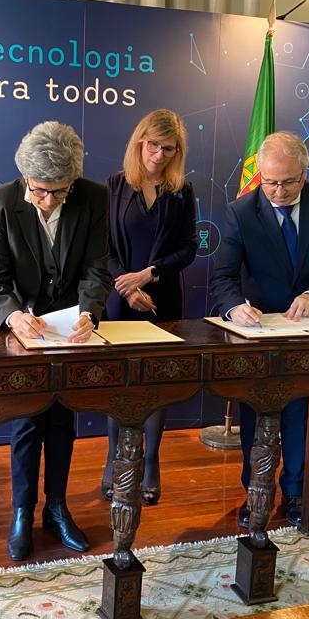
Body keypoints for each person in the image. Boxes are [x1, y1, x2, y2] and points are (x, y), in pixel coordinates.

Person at [0, 120, 112, 561]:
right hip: (27, 332)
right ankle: (23, 511)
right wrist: (14, 316)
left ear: (73, 181)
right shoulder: (1, 202)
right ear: (25, 180)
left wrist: (90, 313)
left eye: (58, 191)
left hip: (73, 331)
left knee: (63, 423)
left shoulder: (93, 197)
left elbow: (97, 268)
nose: (48, 200)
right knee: (27, 423)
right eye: (39, 191)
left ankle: (57, 507)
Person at [211, 131, 309, 528]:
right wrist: (234, 308)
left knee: (300, 415)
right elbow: (222, 276)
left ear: (304, 173)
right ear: (260, 174)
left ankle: (295, 494)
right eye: (270, 181)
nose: (277, 190)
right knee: (257, 415)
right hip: (260, 331)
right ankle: (255, 491)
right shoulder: (242, 211)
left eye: (288, 182)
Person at [100, 109, 197, 506]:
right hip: (120, 299)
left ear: (177, 152)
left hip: (163, 299)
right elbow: (102, 248)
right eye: (153, 145)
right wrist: (127, 285)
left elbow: (190, 247)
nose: (158, 154)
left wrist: (149, 275)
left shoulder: (182, 192)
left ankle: (151, 462)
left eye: (168, 148)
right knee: (120, 385)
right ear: (140, 142)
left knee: (156, 384)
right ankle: (114, 460)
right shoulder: (114, 186)